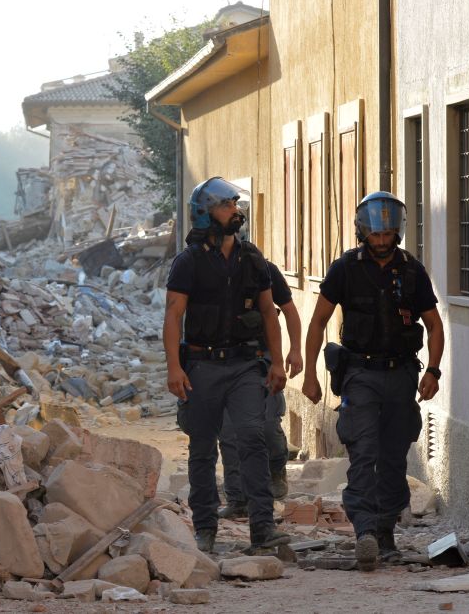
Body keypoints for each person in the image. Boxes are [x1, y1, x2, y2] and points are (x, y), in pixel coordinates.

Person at [301, 191, 444, 571]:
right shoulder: (345, 269)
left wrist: (433, 369)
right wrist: (311, 374)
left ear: (397, 232)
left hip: (401, 376)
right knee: (363, 452)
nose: (382, 242)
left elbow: (433, 323)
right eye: (375, 235)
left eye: (388, 235)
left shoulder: (412, 271)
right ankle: (364, 531)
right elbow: (317, 321)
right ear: (363, 232)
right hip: (360, 374)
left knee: (394, 456)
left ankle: (385, 533)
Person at [164, 176, 289, 553]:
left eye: (235, 204)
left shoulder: (253, 259)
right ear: (205, 214)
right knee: (202, 447)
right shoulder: (188, 263)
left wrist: (278, 362)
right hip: (201, 366)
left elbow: (270, 313)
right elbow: (173, 316)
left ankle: (262, 528)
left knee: (252, 438)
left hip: (245, 365)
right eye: (226, 205)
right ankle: (205, 527)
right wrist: (174, 368)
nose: (235, 211)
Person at [218, 258, 302, 519]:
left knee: (266, 424)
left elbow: (288, 309)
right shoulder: (199, 267)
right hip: (220, 361)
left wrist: (295, 350)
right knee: (229, 431)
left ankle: (277, 468)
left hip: (259, 358)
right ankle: (237, 498)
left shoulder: (261, 269)